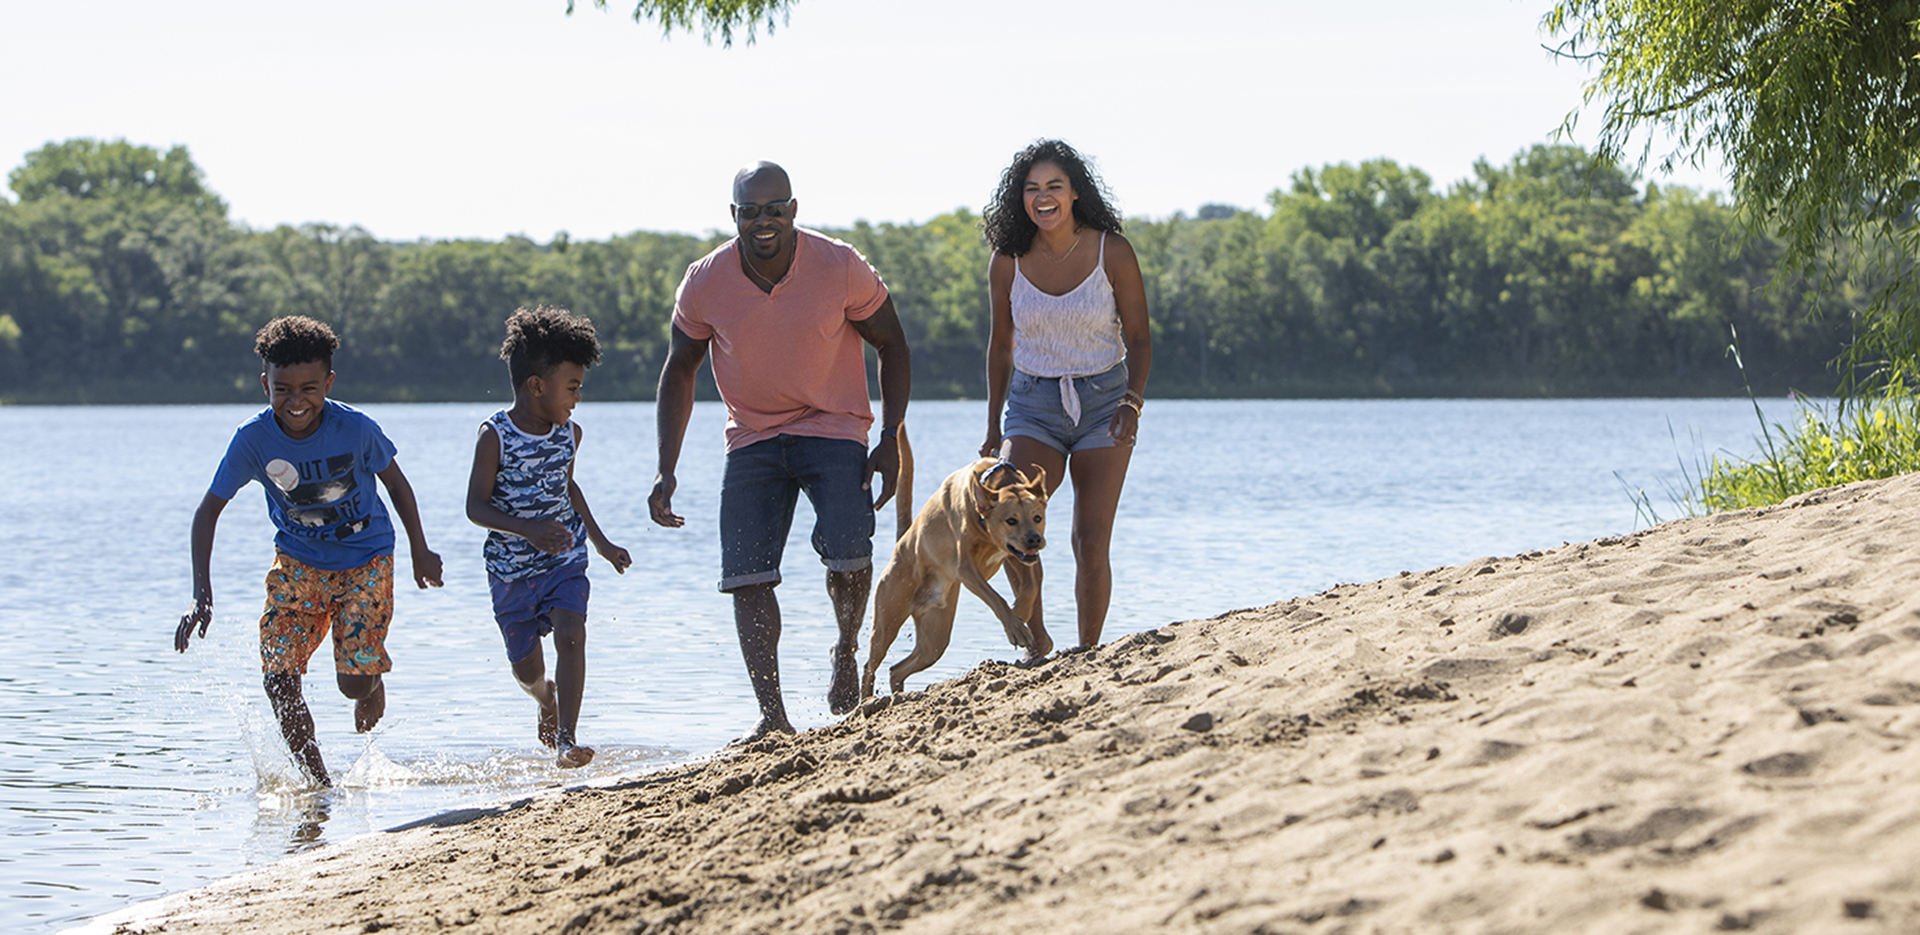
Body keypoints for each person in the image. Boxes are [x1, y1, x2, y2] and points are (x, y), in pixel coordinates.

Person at [650, 161, 911, 739]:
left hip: (834, 426)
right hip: (753, 437)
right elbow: (680, 370)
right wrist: (666, 469)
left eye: (775, 209)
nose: (763, 221)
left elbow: (892, 343)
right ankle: (773, 718)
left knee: (849, 551)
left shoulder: (840, 265)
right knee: (746, 575)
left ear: (794, 210)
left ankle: (846, 647)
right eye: (750, 211)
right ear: (734, 215)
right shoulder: (705, 281)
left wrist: (890, 437)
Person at [175, 316, 443, 787]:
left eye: (309, 388)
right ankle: (320, 786)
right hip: (297, 565)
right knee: (278, 678)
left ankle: (371, 683)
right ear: (265, 385)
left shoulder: (356, 429)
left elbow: (397, 485)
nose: (296, 401)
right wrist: (201, 594)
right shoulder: (252, 441)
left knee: (352, 683)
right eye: (283, 389)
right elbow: (208, 511)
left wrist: (421, 550)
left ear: (329, 383)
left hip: (366, 560)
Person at [980, 139, 1153, 656]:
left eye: (1054, 186)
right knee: (1009, 520)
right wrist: (994, 425)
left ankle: (1088, 651)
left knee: (1088, 539)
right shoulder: (1007, 261)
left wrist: (1132, 402)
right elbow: (1000, 345)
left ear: (1075, 192)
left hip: (1105, 401)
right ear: (1021, 199)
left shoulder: (1112, 251)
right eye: (1032, 189)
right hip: (1033, 404)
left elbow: (1141, 338)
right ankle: (1037, 637)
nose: (1043, 197)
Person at [465, 306, 632, 768]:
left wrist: (600, 543)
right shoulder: (494, 436)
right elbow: (475, 507)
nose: (577, 398)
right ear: (536, 386)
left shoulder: (569, 434)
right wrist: (527, 529)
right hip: (510, 572)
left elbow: (568, 488)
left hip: (564, 560)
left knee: (572, 634)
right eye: (572, 387)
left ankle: (566, 739)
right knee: (527, 669)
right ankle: (545, 699)